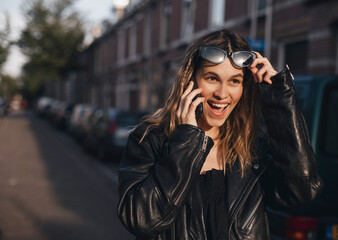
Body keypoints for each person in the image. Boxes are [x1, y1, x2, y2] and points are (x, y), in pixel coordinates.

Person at [117, 29, 322, 239]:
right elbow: (140, 220)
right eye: (212, 78)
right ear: (192, 80)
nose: (222, 94)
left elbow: (301, 192)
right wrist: (185, 142)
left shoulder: (253, 147)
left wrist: (280, 101)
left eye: (234, 81)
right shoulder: (151, 139)